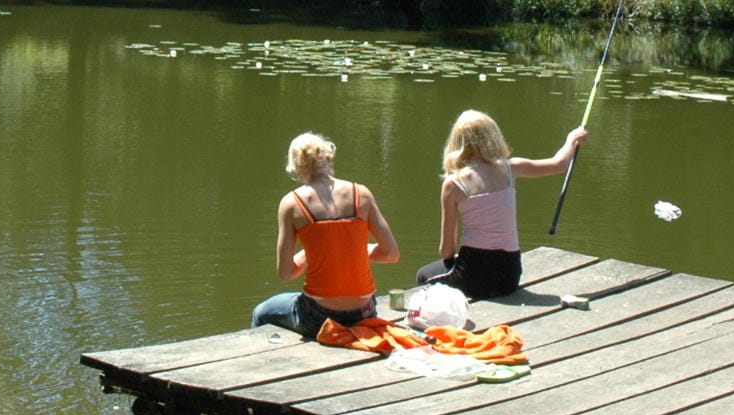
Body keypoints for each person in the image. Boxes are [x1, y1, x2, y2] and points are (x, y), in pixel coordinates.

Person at [413, 109, 587, 299]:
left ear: (457, 143)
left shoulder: (453, 184)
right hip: (509, 277)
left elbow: (447, 251)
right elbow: (559, 164)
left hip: (472, 277)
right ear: (493, 137)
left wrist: (456, 257)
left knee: (423, 275)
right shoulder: (511, 168)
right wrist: (572, 139)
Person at [251, 131, 401, 338]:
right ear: (328, 158)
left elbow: (286, 273)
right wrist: (355, 249)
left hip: (318, 317)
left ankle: (265, 355)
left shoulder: (291, 204)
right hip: (365, 313)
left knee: (261, 312)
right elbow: (391, 254)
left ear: (296, 167)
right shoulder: (362, 194)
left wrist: (312, 253)